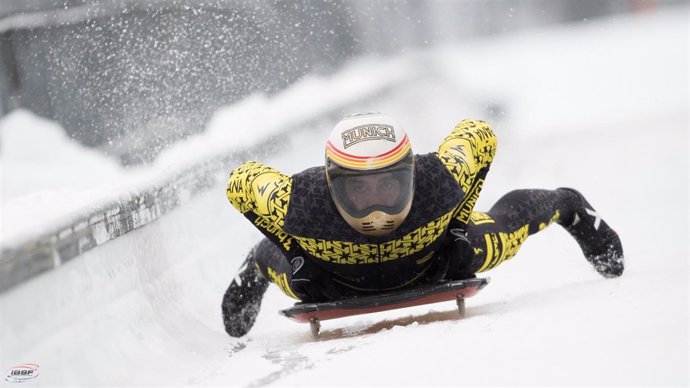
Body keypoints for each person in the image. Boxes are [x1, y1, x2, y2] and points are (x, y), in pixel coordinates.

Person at [221, 113, 624, 337]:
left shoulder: (439, 179)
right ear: (331, 186)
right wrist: (291, 250)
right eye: (360, 191)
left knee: (506, 225)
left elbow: (479, 134)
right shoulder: (299, 201)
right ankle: (256, 267)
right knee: (271, 260)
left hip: (440, 259)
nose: (376, 208)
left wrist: (459, 223)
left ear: (411, 176)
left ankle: (568, 205)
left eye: (389, 185)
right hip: (326, 278)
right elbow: (239, 184)